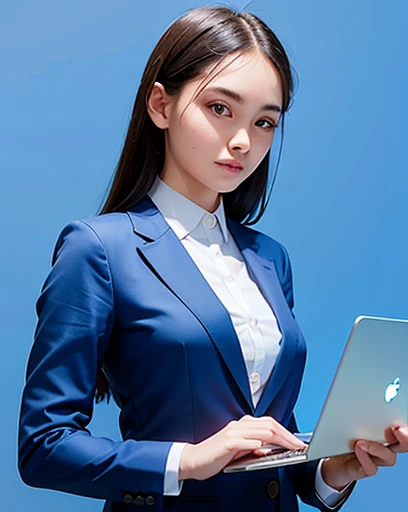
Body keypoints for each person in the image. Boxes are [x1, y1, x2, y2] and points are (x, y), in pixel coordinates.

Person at [17, 5, 408, 512]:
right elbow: (42, 447)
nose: (244, 141)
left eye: (265, 121)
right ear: (161, 105)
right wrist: (186, 461)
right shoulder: (99, 249)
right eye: (221, 108)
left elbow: (271, 437)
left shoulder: (270, 258)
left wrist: (334, 470)